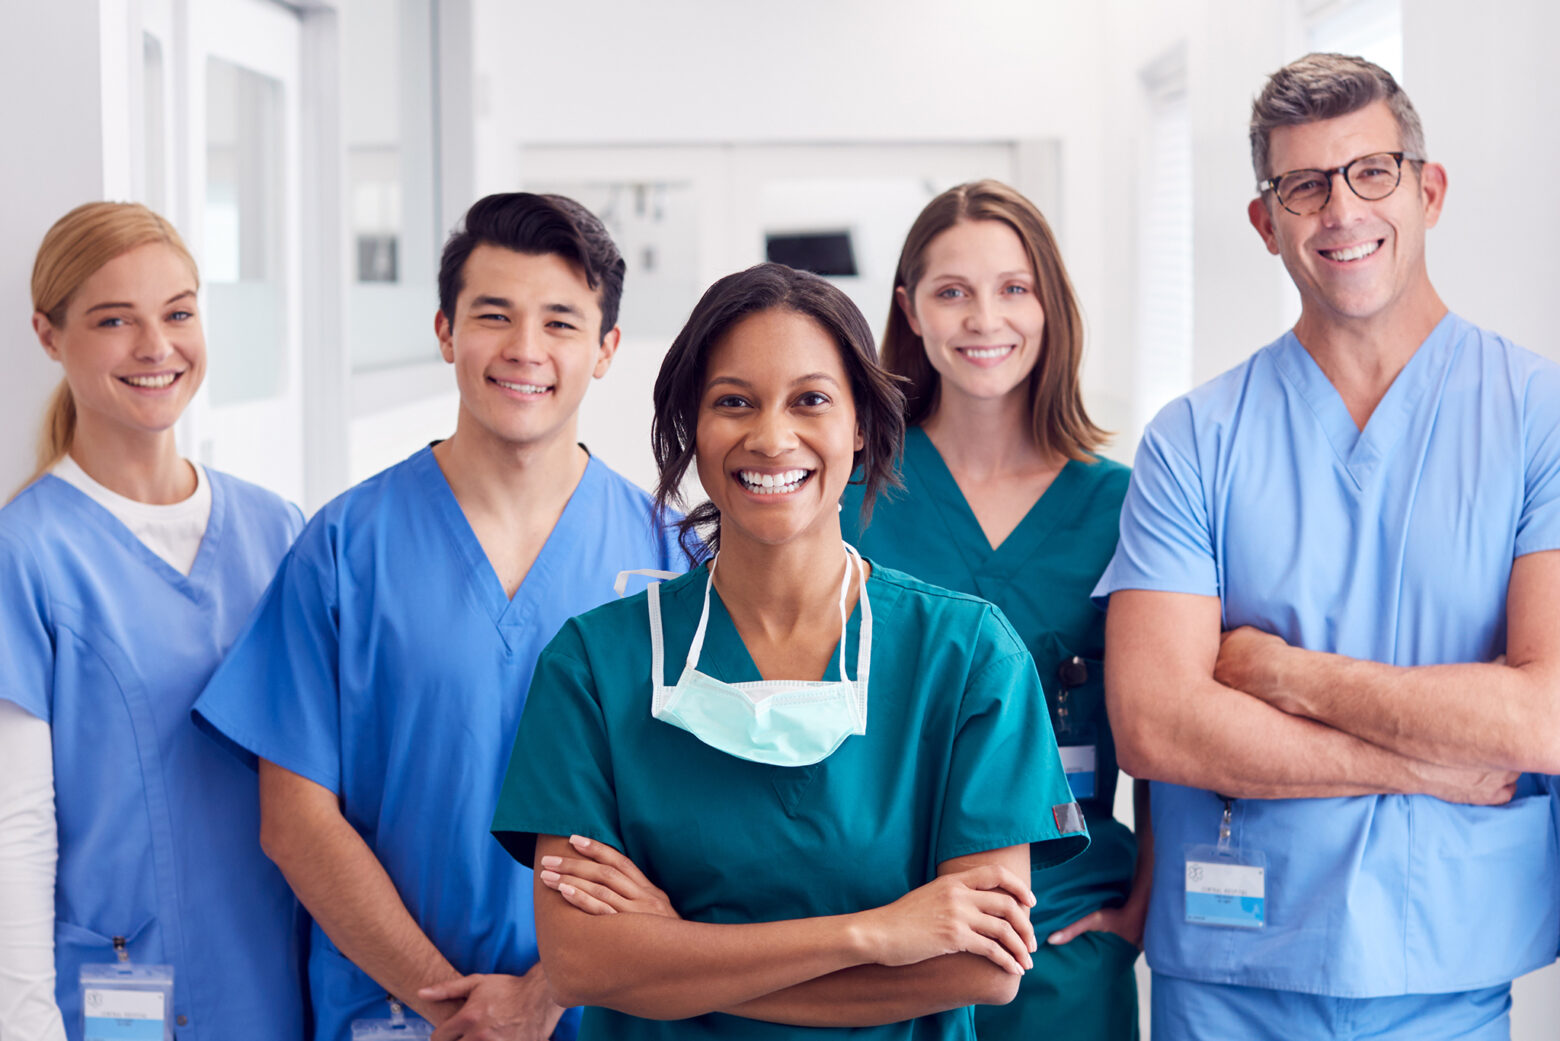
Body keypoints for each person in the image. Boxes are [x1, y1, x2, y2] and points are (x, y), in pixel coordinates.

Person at [490, 262, 1090, 1041]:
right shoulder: (594, 667)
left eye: (810, 400)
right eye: (732, 402)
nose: (771, 437)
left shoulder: (967, 654)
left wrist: (672, 955)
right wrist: (873, 933)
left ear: (863, 427)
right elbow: (580, 962)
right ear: (691, 429)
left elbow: (982, 966)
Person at [1095, 53, 1560, 1040]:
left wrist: (1285, 674)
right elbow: (1157, 725)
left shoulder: (1537, 419)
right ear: (1267, 223)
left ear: (1427, 191)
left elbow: (1545, 713)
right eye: (1304, 185)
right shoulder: (1195, 440)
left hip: (1449, 970)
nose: (1341, 210)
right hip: (1228, 975)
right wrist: (1422, 765)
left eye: (1371, 173)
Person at [192, 192, 684, 1041]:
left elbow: (697, 820)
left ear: (605, 349)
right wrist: (448, 1003)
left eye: (561, 322)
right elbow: (296, 819)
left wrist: (541, 998)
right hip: (391, 1013)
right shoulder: (346, 546)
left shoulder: (675, 559)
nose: (525, 349)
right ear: (445, 331)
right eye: (494, 314)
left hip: (605, 1014)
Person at [841, 180, 1148, 1041]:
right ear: (910, 310)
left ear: (1049, 305)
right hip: (886, 917)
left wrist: (1145, 901)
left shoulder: (1122, 505)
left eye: (1013, 288)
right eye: (953, 292)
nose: (984, 319)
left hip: (1063, 919)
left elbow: (1156, 722)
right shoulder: (850, 500)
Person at [0, 202, 306, 1041]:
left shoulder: (278, 530)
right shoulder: (25, 554)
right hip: (112, 1001)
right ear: (48, 335)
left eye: (177, 312)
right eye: (113, 320)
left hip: (281, 986)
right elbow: (13, 832)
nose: (155, 345)